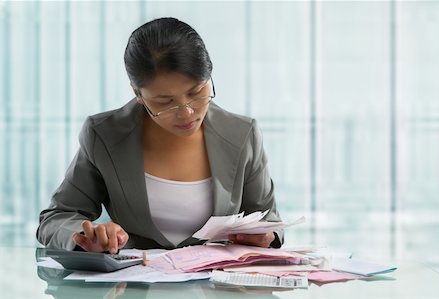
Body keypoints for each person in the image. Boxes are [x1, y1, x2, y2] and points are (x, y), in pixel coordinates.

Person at [37, 17, 283, 254]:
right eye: (165, 102)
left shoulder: (242, 134)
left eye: (197, 92)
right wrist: (86, 235)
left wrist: (267, 236)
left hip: (218, 288)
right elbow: (56, 218)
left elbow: (268, 219)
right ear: (138, 94)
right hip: (132, 287)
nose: (186, 113)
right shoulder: (104, 135)